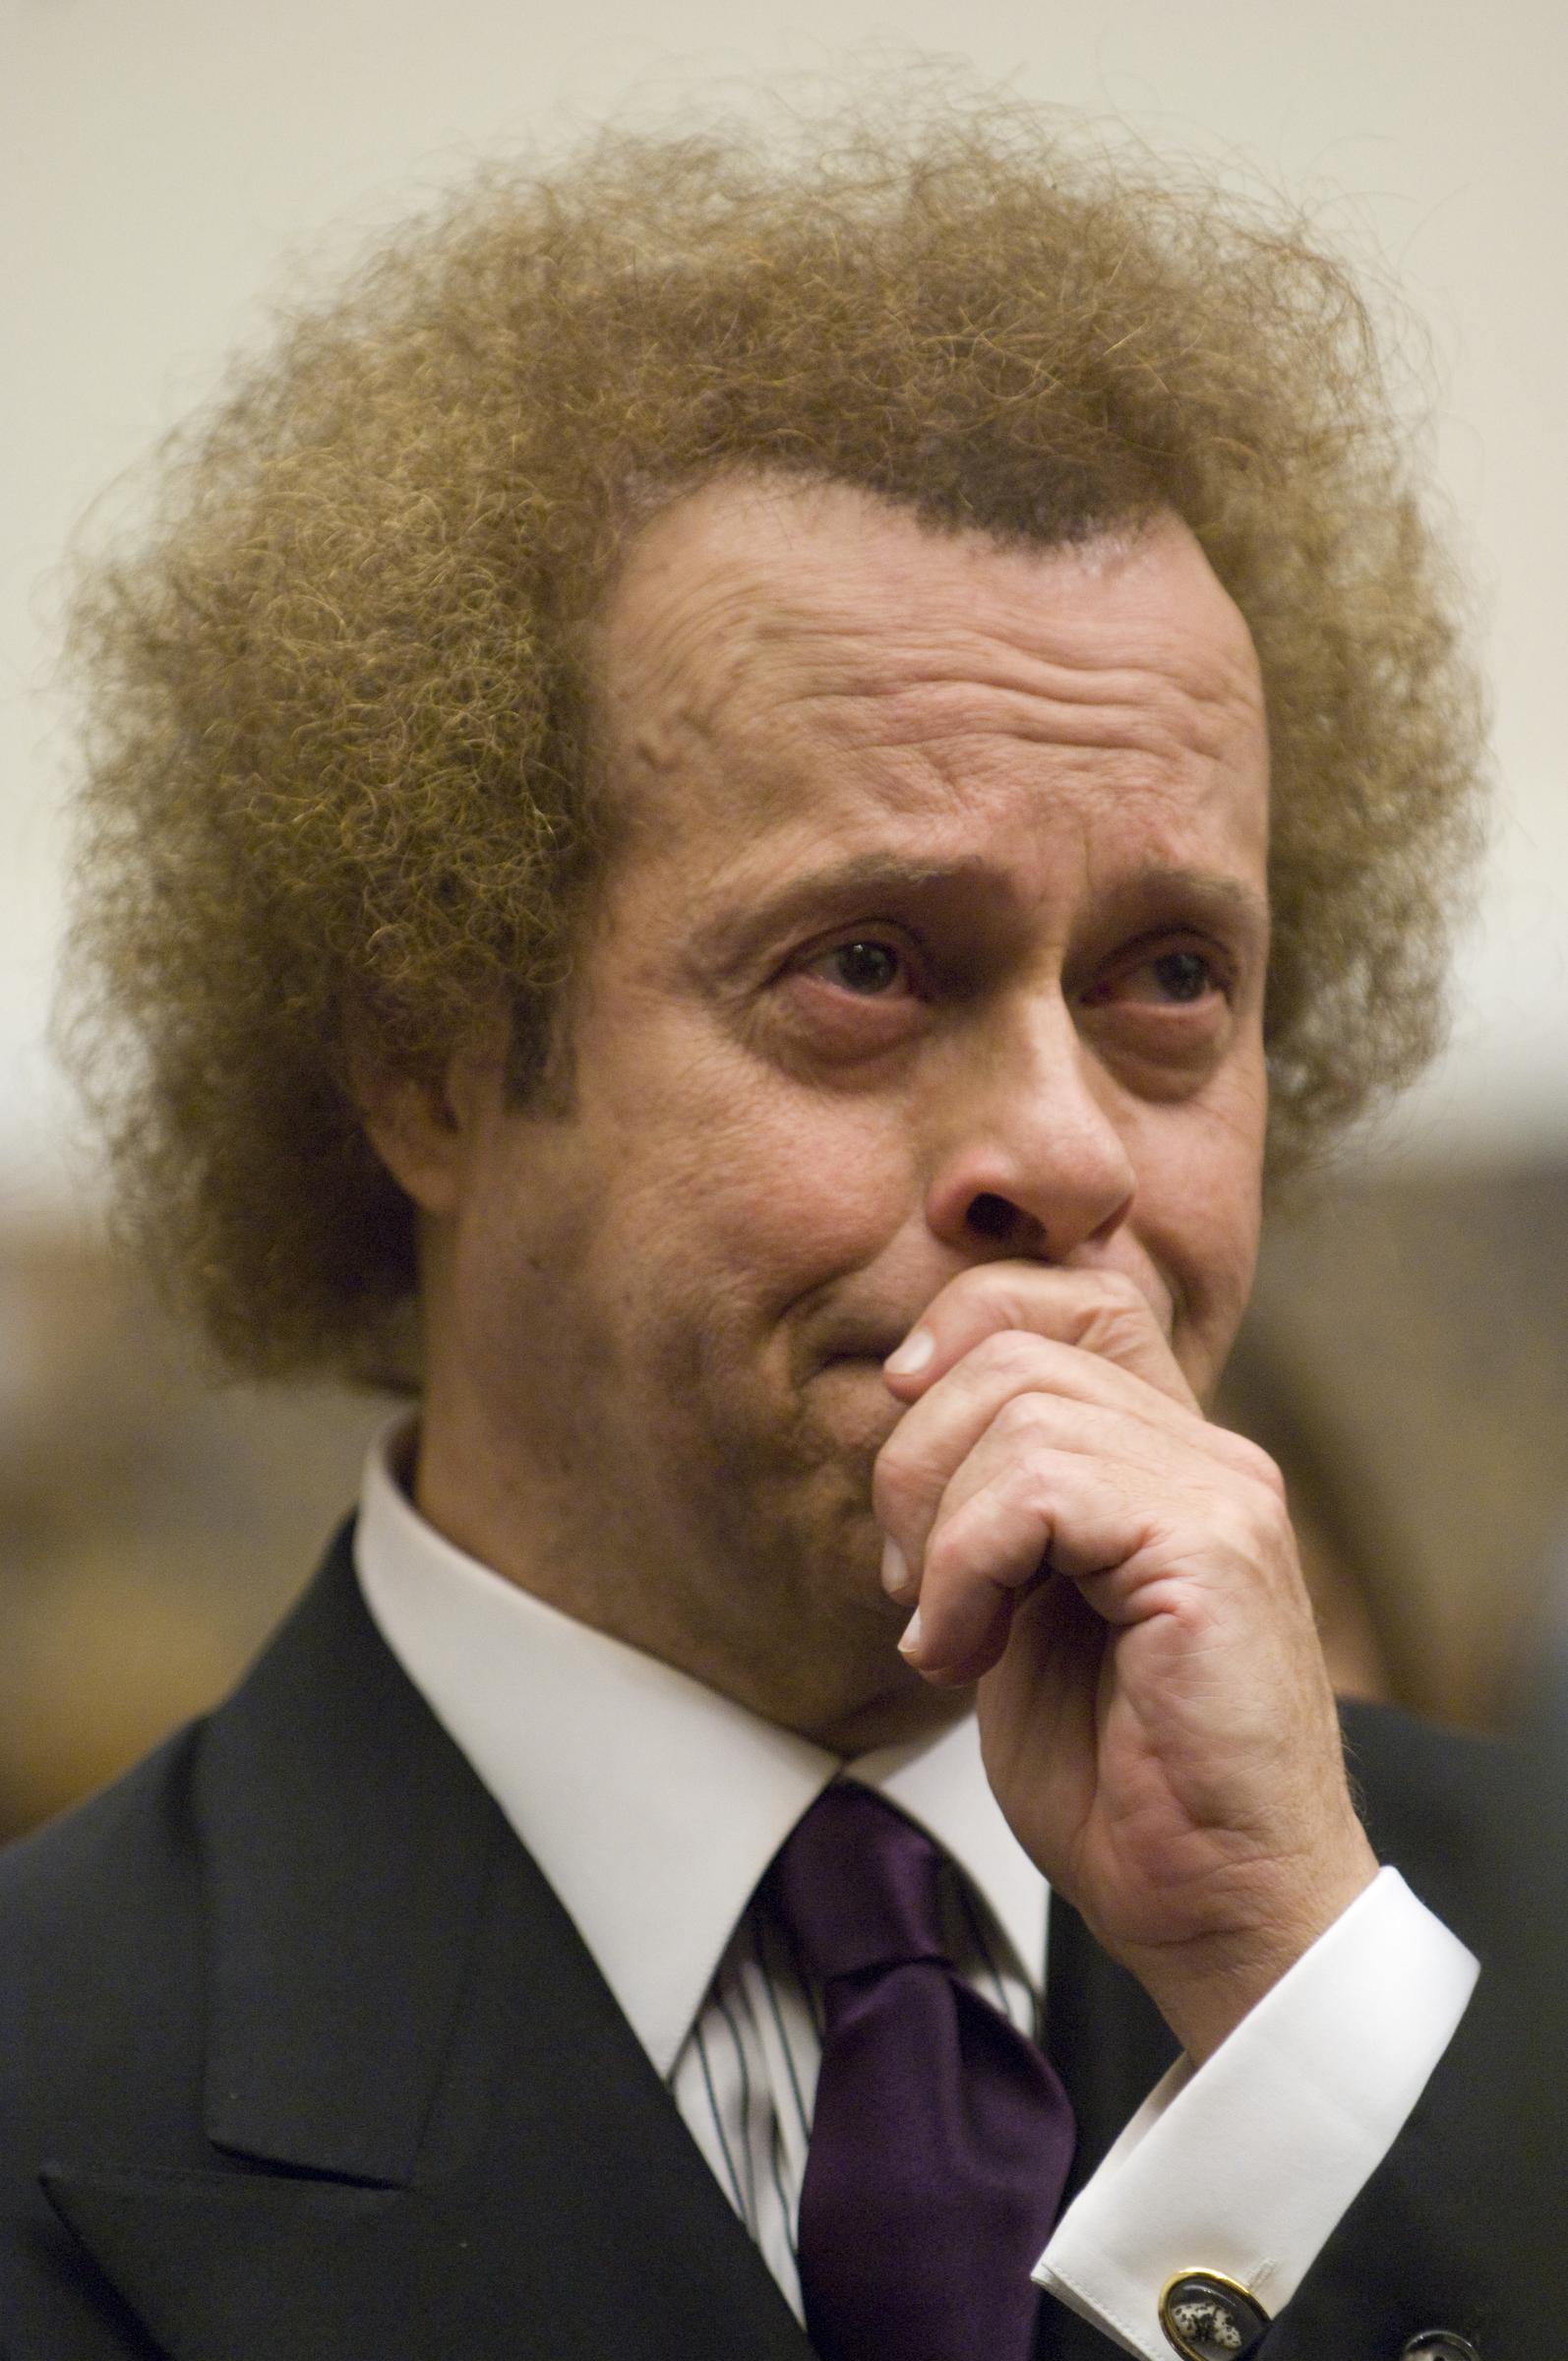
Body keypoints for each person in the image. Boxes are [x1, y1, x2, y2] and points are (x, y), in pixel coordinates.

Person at [1, 97, 1506, 2360]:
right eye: (870, 967)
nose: (1064, 1153)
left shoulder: (1474, 1988)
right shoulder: (54, 2085)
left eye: (1167, 982)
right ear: (426, 1060)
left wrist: (1298, 2012)